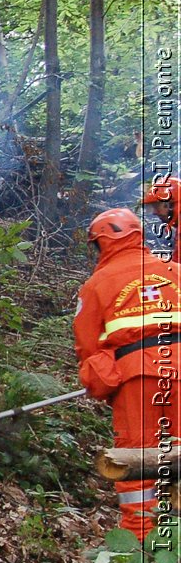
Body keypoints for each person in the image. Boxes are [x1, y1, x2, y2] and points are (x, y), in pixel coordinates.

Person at [73, 207, 179, 541]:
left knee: (137, 460)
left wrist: (103, 381)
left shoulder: (95, 286)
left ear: (102, 244)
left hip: (139, 380)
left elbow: (88, 349)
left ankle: (140, 542)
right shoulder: (175, 270)